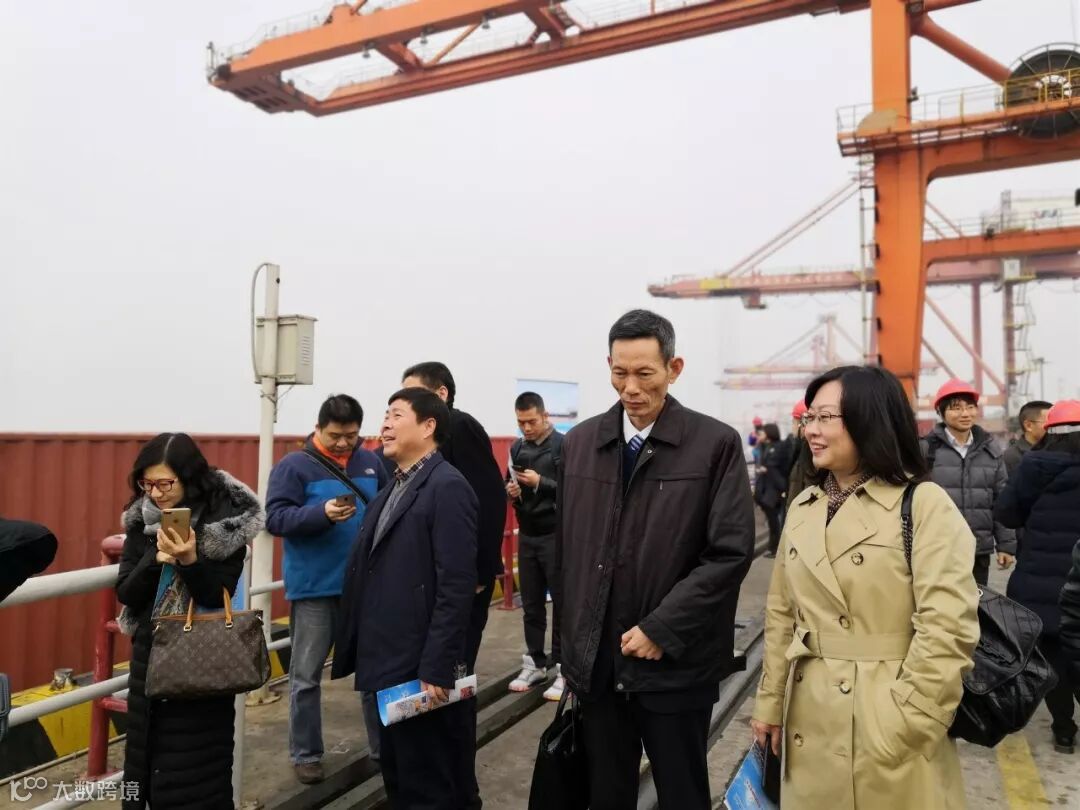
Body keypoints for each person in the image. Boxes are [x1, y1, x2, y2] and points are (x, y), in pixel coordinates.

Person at [751, 365, 980, 809]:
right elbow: (781, 615)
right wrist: (770, 703)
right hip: (807, 714)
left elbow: (948, 627)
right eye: (809, 418)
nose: (811, 430)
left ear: (869, 420)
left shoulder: (923, 504)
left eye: (825, 418)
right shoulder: (804, 506)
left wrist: (909, 721)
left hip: (887, 716)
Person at [557, 309, 755, 810]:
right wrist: (571, 656)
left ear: (674, 368)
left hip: (676, 664)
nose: (631, 388)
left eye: (645, 373)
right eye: (619, 372)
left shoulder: (715, 445)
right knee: (605, 794)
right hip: (600, 669)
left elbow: (729, 554)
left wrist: (662, 629)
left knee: (682, 792)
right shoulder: (580, 444)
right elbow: (570, 556)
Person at [332, 388, 478, 810]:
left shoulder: (447, 487)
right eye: (386, 415)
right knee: (399, 775)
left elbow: (455, 585)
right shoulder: (395, 485)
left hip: (420, 666)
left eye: (397, 415)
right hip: (389, 661)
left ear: (429, 426)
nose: (385, 424)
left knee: (426, 782)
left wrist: (437, 664)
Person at [115, 433, 263, 810]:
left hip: (205, 661)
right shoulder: (142, 520)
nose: (156, 493)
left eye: (165, 483)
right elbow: (127, 593)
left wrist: (190, 560)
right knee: (145, 764)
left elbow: (217, 595)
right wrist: (156, 559)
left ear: (189, 477)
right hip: (150, 659)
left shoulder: (224, 522)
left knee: (198, 775)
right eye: (147, 484)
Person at [265, 394, 389, 783]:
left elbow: (388, 506)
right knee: (306, 676)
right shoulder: (293, 467)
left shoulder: (370, 462)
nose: (342, 443)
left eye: (351, 436)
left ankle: (384, 749)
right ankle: (306, 755)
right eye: (335, 435)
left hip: (364, 586)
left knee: (375, 673)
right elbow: (275, 518)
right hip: (315, 589)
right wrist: (321, 514)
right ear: (318, 428)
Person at [995, 399, 1080, 754]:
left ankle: (1064, 730)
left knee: (1053, 656)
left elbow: (1008, 514)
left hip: (1039, 580)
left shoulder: (1034, 465)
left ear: (1050, 431)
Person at [922, 378, 1016, 586]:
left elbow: (1001, 501)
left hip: (978, 551)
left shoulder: (990, 450)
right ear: (941, 412)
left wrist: (1006, 546)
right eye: (956, 408)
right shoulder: (926, 450)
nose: (965, 414)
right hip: (937, 550)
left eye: (970, 407)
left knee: (977, 603)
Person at [504, 391, 565, 700]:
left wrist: (540, 482)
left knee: (564, 605)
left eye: (531, 421)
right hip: (527, 535)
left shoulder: (563, 446)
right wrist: (512, 490)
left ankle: (565, 668)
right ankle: (535, 663)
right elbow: (507, 482)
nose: (526, 428)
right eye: (521, 423)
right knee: (531, 604)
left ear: (544, 416)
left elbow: (574, 489)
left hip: (556, 535)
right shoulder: (517, 448)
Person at [754, 423, 790, 558]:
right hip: (767, 488)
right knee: (772, 520)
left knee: (774, 521)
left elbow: (777, 466)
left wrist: (767, 469)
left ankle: (775, 548)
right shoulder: (766, 446)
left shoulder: (778, 447)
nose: (760, 435)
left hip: (774, 489)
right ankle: (773, 547)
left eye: (763, 433)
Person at [1004, 399, 1052, 476]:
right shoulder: (1011, 457)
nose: (1053, 427)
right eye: (1048, 423)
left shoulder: (1059, 451)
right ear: (1028, 426)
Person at [786, 400, 817, 509]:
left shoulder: (812, 455)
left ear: (803, 424)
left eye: (793, 422)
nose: (792, 426)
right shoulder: (802, 451)